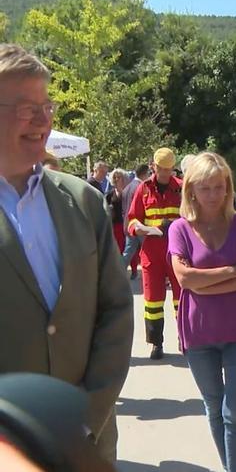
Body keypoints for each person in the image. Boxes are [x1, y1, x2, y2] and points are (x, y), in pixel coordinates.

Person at [0, 43, 133, 462]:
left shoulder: (84, 200)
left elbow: (115, 310)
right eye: (26, 108)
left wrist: (87, 415)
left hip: (88, 444)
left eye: (47, 106)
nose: (43, 120)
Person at [168, 152, 236, 472]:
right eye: (205, 188)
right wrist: (232, 271)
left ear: (228, 188)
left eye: (219, 187)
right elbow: (184, 279)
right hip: (198, 334)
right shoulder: (179, 229)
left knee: (234, 410)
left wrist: (204, 282)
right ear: (191, 189)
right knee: (214, 408)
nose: (213, 194)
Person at [128, 148, 183, 360]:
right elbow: (132, 219)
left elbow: (190, 215)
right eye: (162, 169)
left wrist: (174, 224)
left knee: (182, 297)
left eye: (169, 170)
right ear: (154, 166)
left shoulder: (180, 187)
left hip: (177, 249)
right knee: (152, 300)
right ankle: (156, 343)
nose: (166, 174)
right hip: (151, 250)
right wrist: (139, 228)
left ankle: (184, 338)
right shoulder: (143, 189)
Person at [121, 164, 149, 279]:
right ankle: (154, 274)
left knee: (127, 253)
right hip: (139, 224)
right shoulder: (141, 187)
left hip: (128, 224)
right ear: (144, 173)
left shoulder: (128, 187)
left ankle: (117, 274)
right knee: (148, 251)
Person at [105, 168, 129, 259]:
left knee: (128, 247)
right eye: (114, 177)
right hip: (115, 224)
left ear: (124, 178)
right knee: (118, 248)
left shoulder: (128, 191)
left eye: (118, 177)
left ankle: (134, 271)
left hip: (126, 223)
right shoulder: (109, 194)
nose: (116, 179)